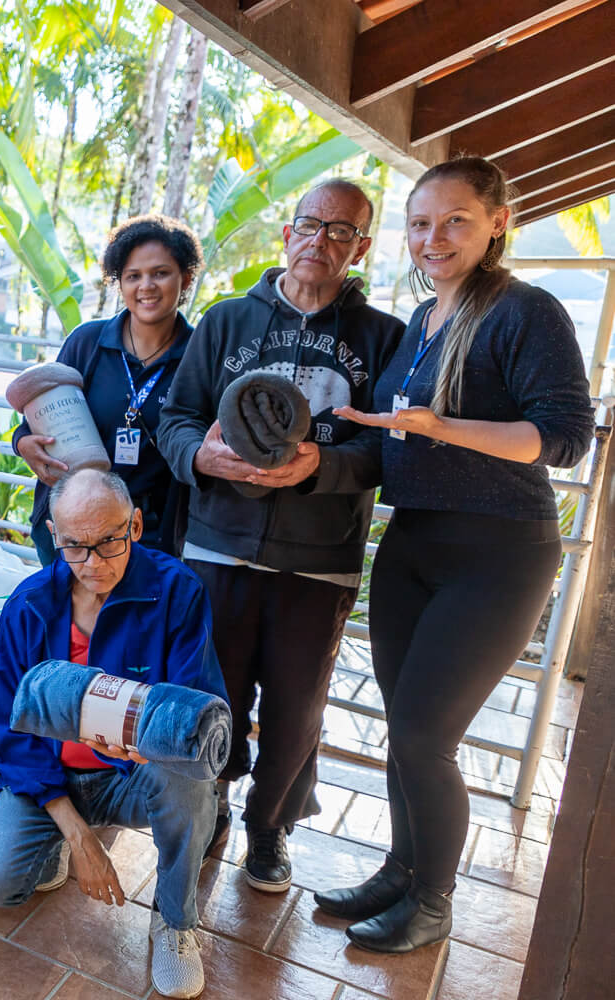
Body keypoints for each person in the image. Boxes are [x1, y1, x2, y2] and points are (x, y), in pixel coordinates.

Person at [318, 157, 593, 953]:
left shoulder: (525, 312)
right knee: (403, 725)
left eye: (455, 221)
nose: (432, 239)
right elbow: (389, 440)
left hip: (497, 554)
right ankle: (401, 870)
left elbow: (564, 438)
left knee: (424, 736)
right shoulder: (421, 319)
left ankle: (433, 902)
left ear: (497, 223)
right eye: (419, 223)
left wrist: (443, 427)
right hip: (413, 543)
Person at [156, 180, 405, 893]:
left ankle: (272, 828)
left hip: (319, 562)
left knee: (298, 709)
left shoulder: (384, 339)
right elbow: (176, 418)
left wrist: (319, 466)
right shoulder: (228, 322)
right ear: (285, 234)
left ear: (360, 247)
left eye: (340, 231)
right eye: (309, 224)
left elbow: (388, 453)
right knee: (217, 694)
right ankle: (216, 807)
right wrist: (199, 456)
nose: (319, 241)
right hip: (216, 546)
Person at [0, 468, 224, 1000]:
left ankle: (175, 921)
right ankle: (59, 839)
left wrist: (152, 744)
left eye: (109, 542)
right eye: (75, 547)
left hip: (136, 776)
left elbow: (194, 705)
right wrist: (77, 835)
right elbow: (7, 727)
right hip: (54, 778)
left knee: (190, 782)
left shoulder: (176, 591)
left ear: (137, 525)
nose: (94, 563)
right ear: (54, 535)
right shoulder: (30, 603)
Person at [15, 214, 202, 562]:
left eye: (160, 273)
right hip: (70, 525)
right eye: (133, 276)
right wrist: (22, 442)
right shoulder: (87, 342)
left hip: (149, 535)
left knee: (134, 618)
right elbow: (38, 419)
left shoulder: (199, 354)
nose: (146, 286)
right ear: (120, 282)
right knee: (66, 618)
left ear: (186, 278)